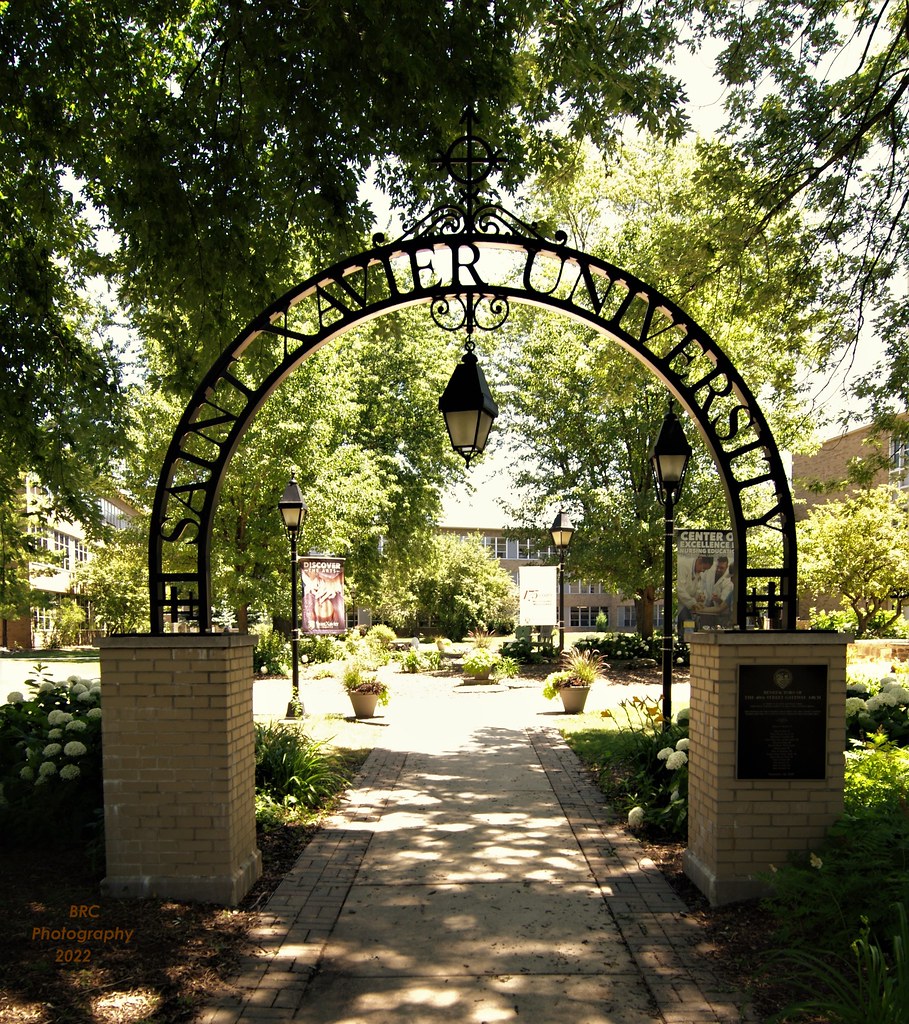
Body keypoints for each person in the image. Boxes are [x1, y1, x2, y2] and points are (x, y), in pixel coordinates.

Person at [676, 555, 712, 635]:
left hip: (687, 605)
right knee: (688, 623)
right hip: (680, 604)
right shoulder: (683, 566)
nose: (703, 571)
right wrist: (693, 603)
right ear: (699, 561)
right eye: (704, 568)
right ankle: (688, 637)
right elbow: (680, 589)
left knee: (690, 624)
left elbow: (696, 589)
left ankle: (688, 637)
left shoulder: (697, 571)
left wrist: (700, 596)